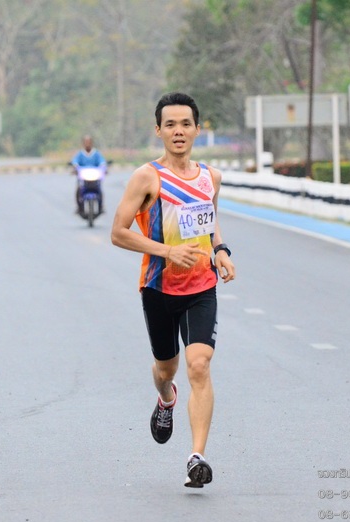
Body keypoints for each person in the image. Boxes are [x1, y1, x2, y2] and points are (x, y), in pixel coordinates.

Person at [111, 92, 236, 488]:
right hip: (158, 289)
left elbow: (210, 220)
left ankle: (197, 457)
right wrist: (167, 251)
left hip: (202, 287)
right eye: (170, 125)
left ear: (197, 129)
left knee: (199, 364)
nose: (178, 131)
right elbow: (118, 232)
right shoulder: (147, 178)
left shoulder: (211, 177)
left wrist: (220, 250)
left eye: (185, 124)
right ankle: (166, 396)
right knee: (167, 369)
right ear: (159, 131)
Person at [72, 135, 107, 214]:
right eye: (86, 142)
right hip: (84, 178)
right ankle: (79, 206)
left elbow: (102, 161)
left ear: (92, 143)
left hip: (94, 177)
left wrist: (103, 167)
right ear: (83, 143)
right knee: (78, 189)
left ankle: (101, 206)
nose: (87, 144)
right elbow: (75, 161)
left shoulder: (96, 154)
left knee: (99, 189)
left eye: (89, 142)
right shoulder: (80, 154)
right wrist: (75, 166)